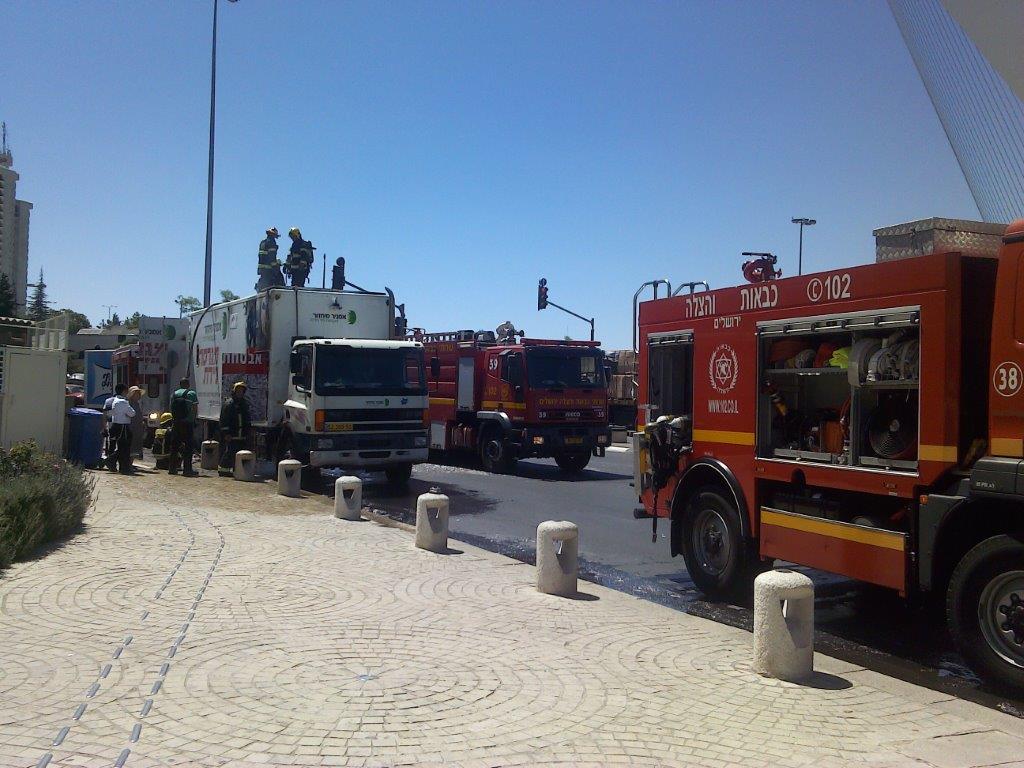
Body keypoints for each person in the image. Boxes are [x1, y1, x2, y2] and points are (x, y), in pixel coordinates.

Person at [218, 381, 251, 476]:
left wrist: (248, 431)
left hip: (242, 435)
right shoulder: (229, 404)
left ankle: (237, 470)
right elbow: (223, 420)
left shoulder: (244, 404)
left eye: (242, 391)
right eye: (238, 391)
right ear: (234, 391)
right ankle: (223, 470)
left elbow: (247, 419)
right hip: (231, 434)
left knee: (240, 454)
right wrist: (226, 433)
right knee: (229, 452)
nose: (240, 393)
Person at [168, 377, 198, 476]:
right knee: (188, 447)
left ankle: (172, 468)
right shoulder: (191, 394)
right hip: (187, 423)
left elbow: (171, 408)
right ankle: (187, 469)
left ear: (180, 385)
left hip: (176, 423)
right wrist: (194, 420)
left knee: (174, 447)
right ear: (188, 384)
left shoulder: (174, 394)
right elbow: (194, 408)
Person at [106, 383, 136, 474]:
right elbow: (132, 413)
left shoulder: (114, 400)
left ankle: (116, 464)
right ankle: (115, 462)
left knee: (119, 447)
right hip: (123, 426)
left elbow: (109, 413)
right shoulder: (123, 402)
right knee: (125, 448)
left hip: (115, 424)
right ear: (123, 391)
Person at [255, 227, 285, 292]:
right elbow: (272, 257)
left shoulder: (263, 242)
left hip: (262, 270)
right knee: (269, 289)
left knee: (263, 289)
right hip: (268, 270)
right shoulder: (271, 242)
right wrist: (275, 268)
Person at [127, 386, 146, 460]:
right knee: (131, 446)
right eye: (137, 394)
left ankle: (131, 461)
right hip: (132, 427)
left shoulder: (137, 403)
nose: (139, 395)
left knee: (136, 446)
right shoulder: (129, 403)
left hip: (138, 428)